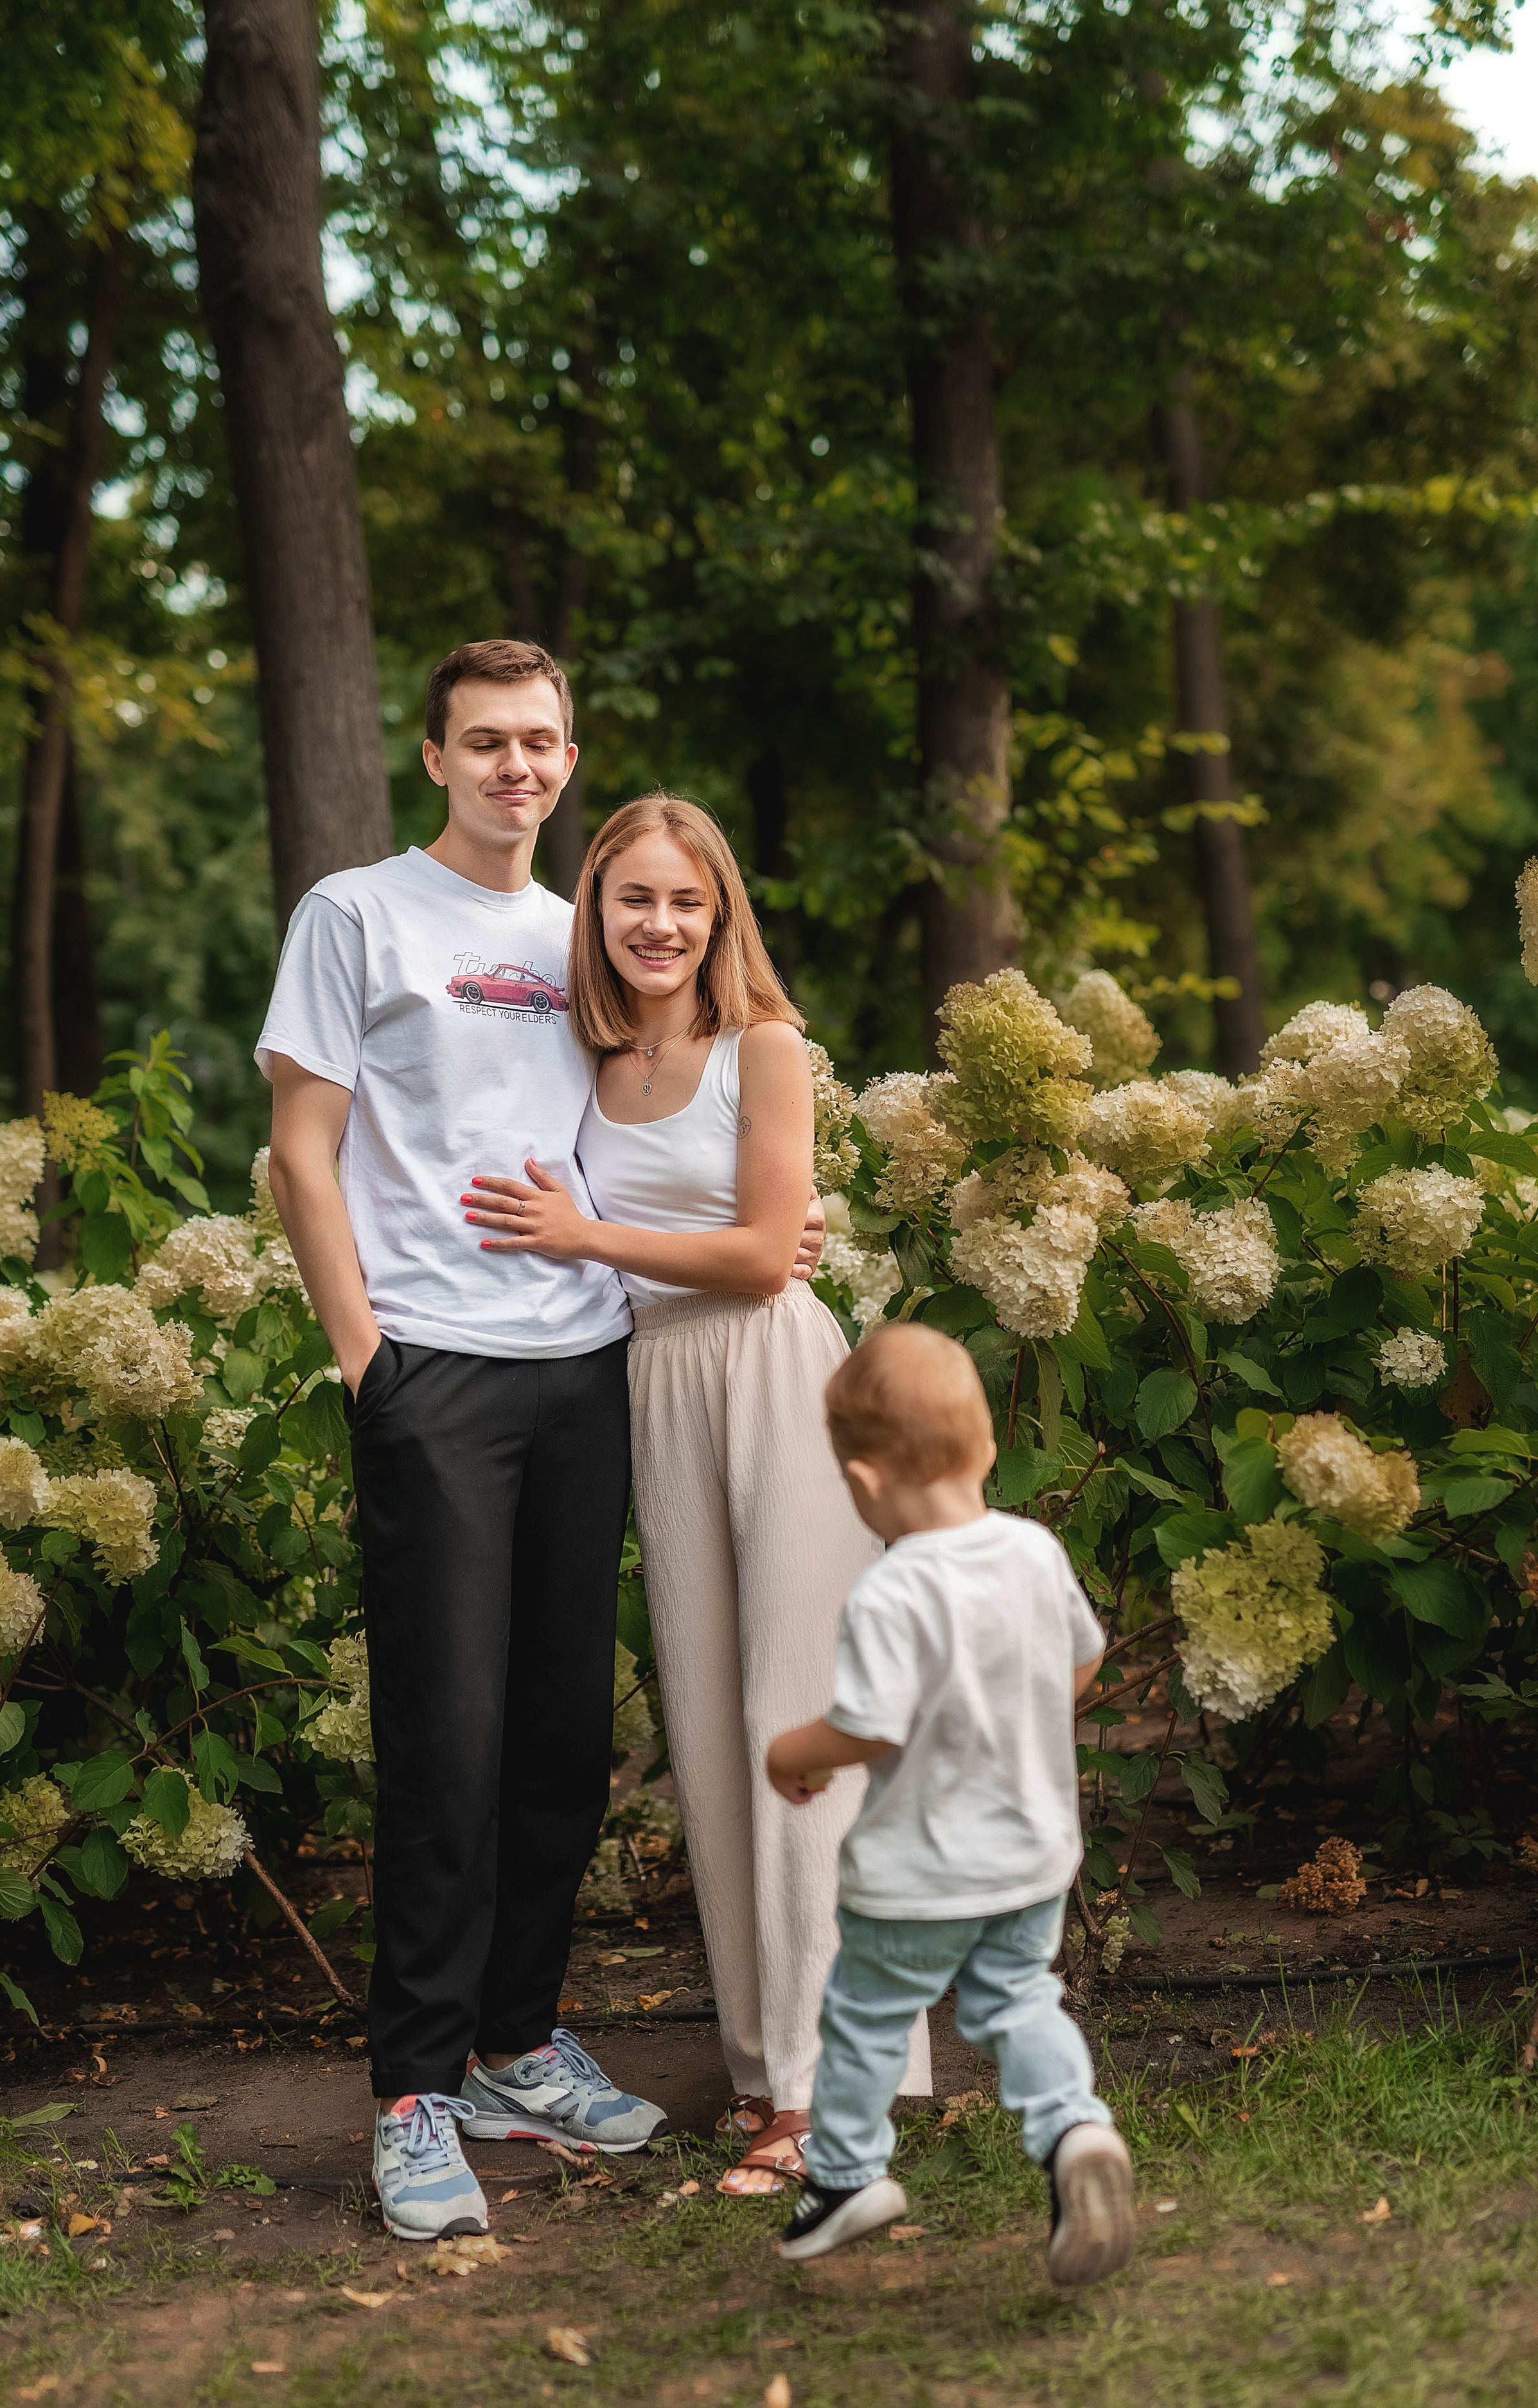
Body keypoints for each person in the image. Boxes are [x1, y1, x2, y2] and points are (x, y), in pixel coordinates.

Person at [256, 641, 675, 2241]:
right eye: (487, 741)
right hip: (430, 1373)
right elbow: (305, 1148)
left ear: (569, 760)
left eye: (543, 742)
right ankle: (412, 2092)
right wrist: (366, 1360)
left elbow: (653, 1113)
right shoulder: (355, 914)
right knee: (445, 1741)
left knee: (566, 1737)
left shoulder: (578, 933)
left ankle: (514, 2041)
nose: (519, 766)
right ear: (432, 755)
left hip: (582, 1371)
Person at [459, 794, 929, 2199]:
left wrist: (593, 1232)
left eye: (684, 901)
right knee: (713, 1734)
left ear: (720, 915)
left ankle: (827, 2089)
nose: (658, 924)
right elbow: (686, 1244)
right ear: (591, 912)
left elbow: (766, 1248)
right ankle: (758, 2063)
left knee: (793, 1716)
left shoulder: (762, 1048)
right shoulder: (582, 1059)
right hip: (649, 1387)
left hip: (775, 1378)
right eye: (630, 900)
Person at [765, 1324, 1136, 2280]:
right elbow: (1082, 1660)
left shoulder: (892, 1590)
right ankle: (1073, 2131)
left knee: (867, 2016)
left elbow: (875, 1728)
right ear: (986, 1448)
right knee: (1020, 1998)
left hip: (919, 1876)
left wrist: (796, 1751)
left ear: (864, 1481)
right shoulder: (1032, 1554)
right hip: (1031, 1859)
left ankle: (846, 2176)